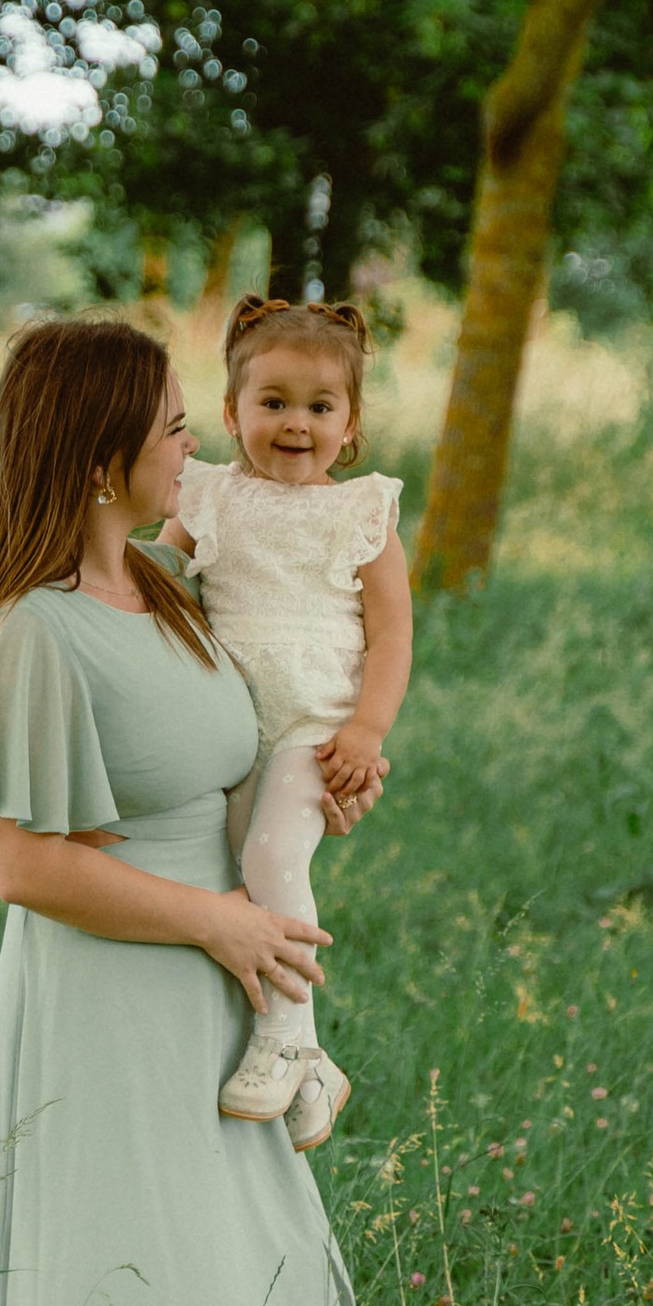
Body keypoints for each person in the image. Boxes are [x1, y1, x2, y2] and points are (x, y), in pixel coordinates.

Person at [0, 313, 365, 1306]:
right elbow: (27, 869)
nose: (196, 443)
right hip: (115, 994)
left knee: (231, 1264)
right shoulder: (31, 634)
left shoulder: (164, 588)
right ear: (104, 451)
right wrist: (220, 925)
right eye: (172, 424)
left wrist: (316, 789)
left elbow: (229, 756)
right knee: (130, 1270)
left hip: (212, 986)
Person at [162, 294, 411, 1151]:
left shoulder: (362, 513)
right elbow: (161, 581)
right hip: (228, 728)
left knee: (273, 858)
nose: (295, 423)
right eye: (273, 403)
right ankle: (313, 1065)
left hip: (313, 728)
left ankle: (286, 1035)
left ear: (351, 423)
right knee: (232, 878)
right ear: (230, 412)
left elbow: (393, 633)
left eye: (320, 406)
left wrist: (367, 731)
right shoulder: (208, 498)